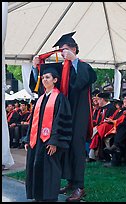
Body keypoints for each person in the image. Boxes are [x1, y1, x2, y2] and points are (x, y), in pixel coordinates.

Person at [52, 31, 97, 202]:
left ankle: (80, 187)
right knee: (67, 148)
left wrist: (75, 60)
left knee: (77, 150)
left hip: (79, 114)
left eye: (65, 49)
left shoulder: (82, 66)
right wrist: (35, 67)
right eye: (61, 50)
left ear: (74, 49)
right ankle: (71, 182)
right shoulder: (63, 68)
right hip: (66, 115)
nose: (62, 53)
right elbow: (47, 80)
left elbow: (85, 80)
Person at [24, 62, 72, 202]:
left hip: (49, 142)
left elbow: (61, 122)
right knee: (36, 167)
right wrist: (28, 139)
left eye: (48, 77)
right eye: (43, 77)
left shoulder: (60, 98)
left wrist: (54, 142)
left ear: (55, 80)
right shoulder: (40, 99)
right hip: (36, 142)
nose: (44, 80)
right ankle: (38, 196)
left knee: (50, 171)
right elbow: (33, 121)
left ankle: (49, 198)